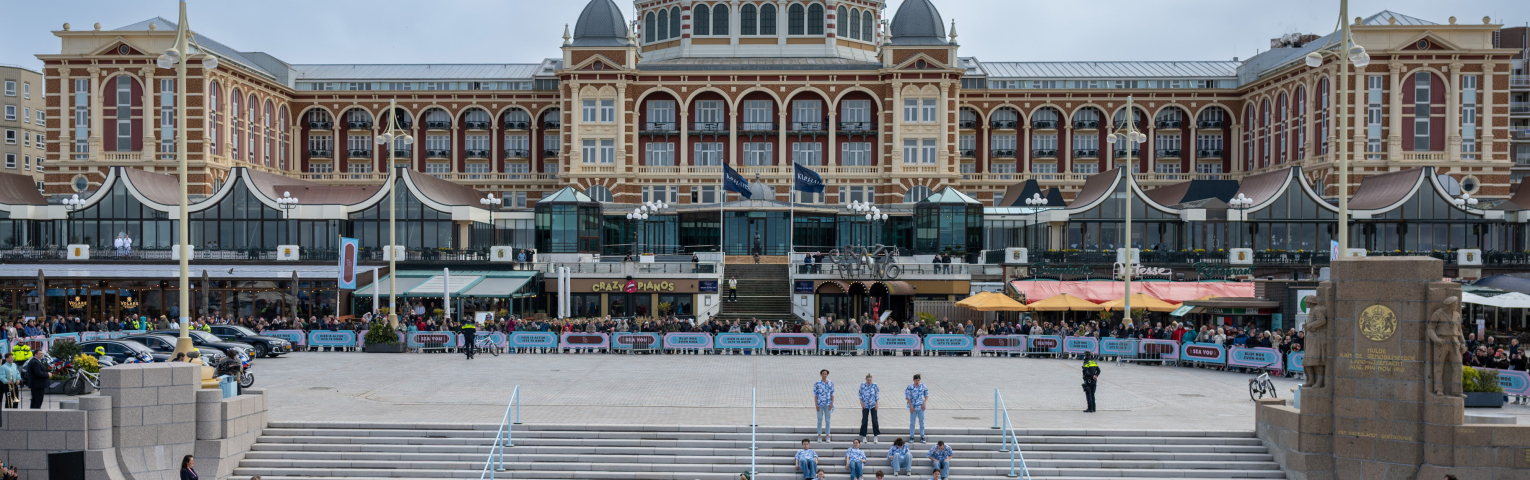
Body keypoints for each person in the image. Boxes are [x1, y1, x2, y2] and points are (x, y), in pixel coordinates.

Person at [905, 374, 928, 443]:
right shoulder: (910, 387)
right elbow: (908, 397)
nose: (917, 382)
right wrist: (910, 406)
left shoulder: (922, 386)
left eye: (918, 380)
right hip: (913, 407)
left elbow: (926, 394)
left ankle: (922, 436)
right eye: (916, 380)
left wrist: (924, 402)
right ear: (913, 380)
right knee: (912, 423)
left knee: (922, 422)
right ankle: (912, 436)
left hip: (921, 407)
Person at [858, 373, 881, 443]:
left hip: (873, 405)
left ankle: (875, 436)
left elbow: (877, 395)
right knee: (864, 420)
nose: (869, 381)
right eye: (868, 380)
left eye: (870, 380)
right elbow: (860, 395)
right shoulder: (862, 385)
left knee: (875, 421)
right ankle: (864, 436)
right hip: (865, 405)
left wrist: (877, 403)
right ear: (866, 379)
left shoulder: (874, 385)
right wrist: (861, 403)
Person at [813, 369, 835, 441]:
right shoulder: (817, 384)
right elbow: (816, 395)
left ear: (827, 375)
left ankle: (827, 435)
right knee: (819, 420)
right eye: (823, 374)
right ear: (821, 375)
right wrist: (816, 404)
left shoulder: (830, 383)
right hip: (820, 404)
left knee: (827, 420)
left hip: (828, 404)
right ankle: (819, 435)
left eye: (825, 374)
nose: (824, 375)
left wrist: (832, 403)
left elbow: (832, 393)